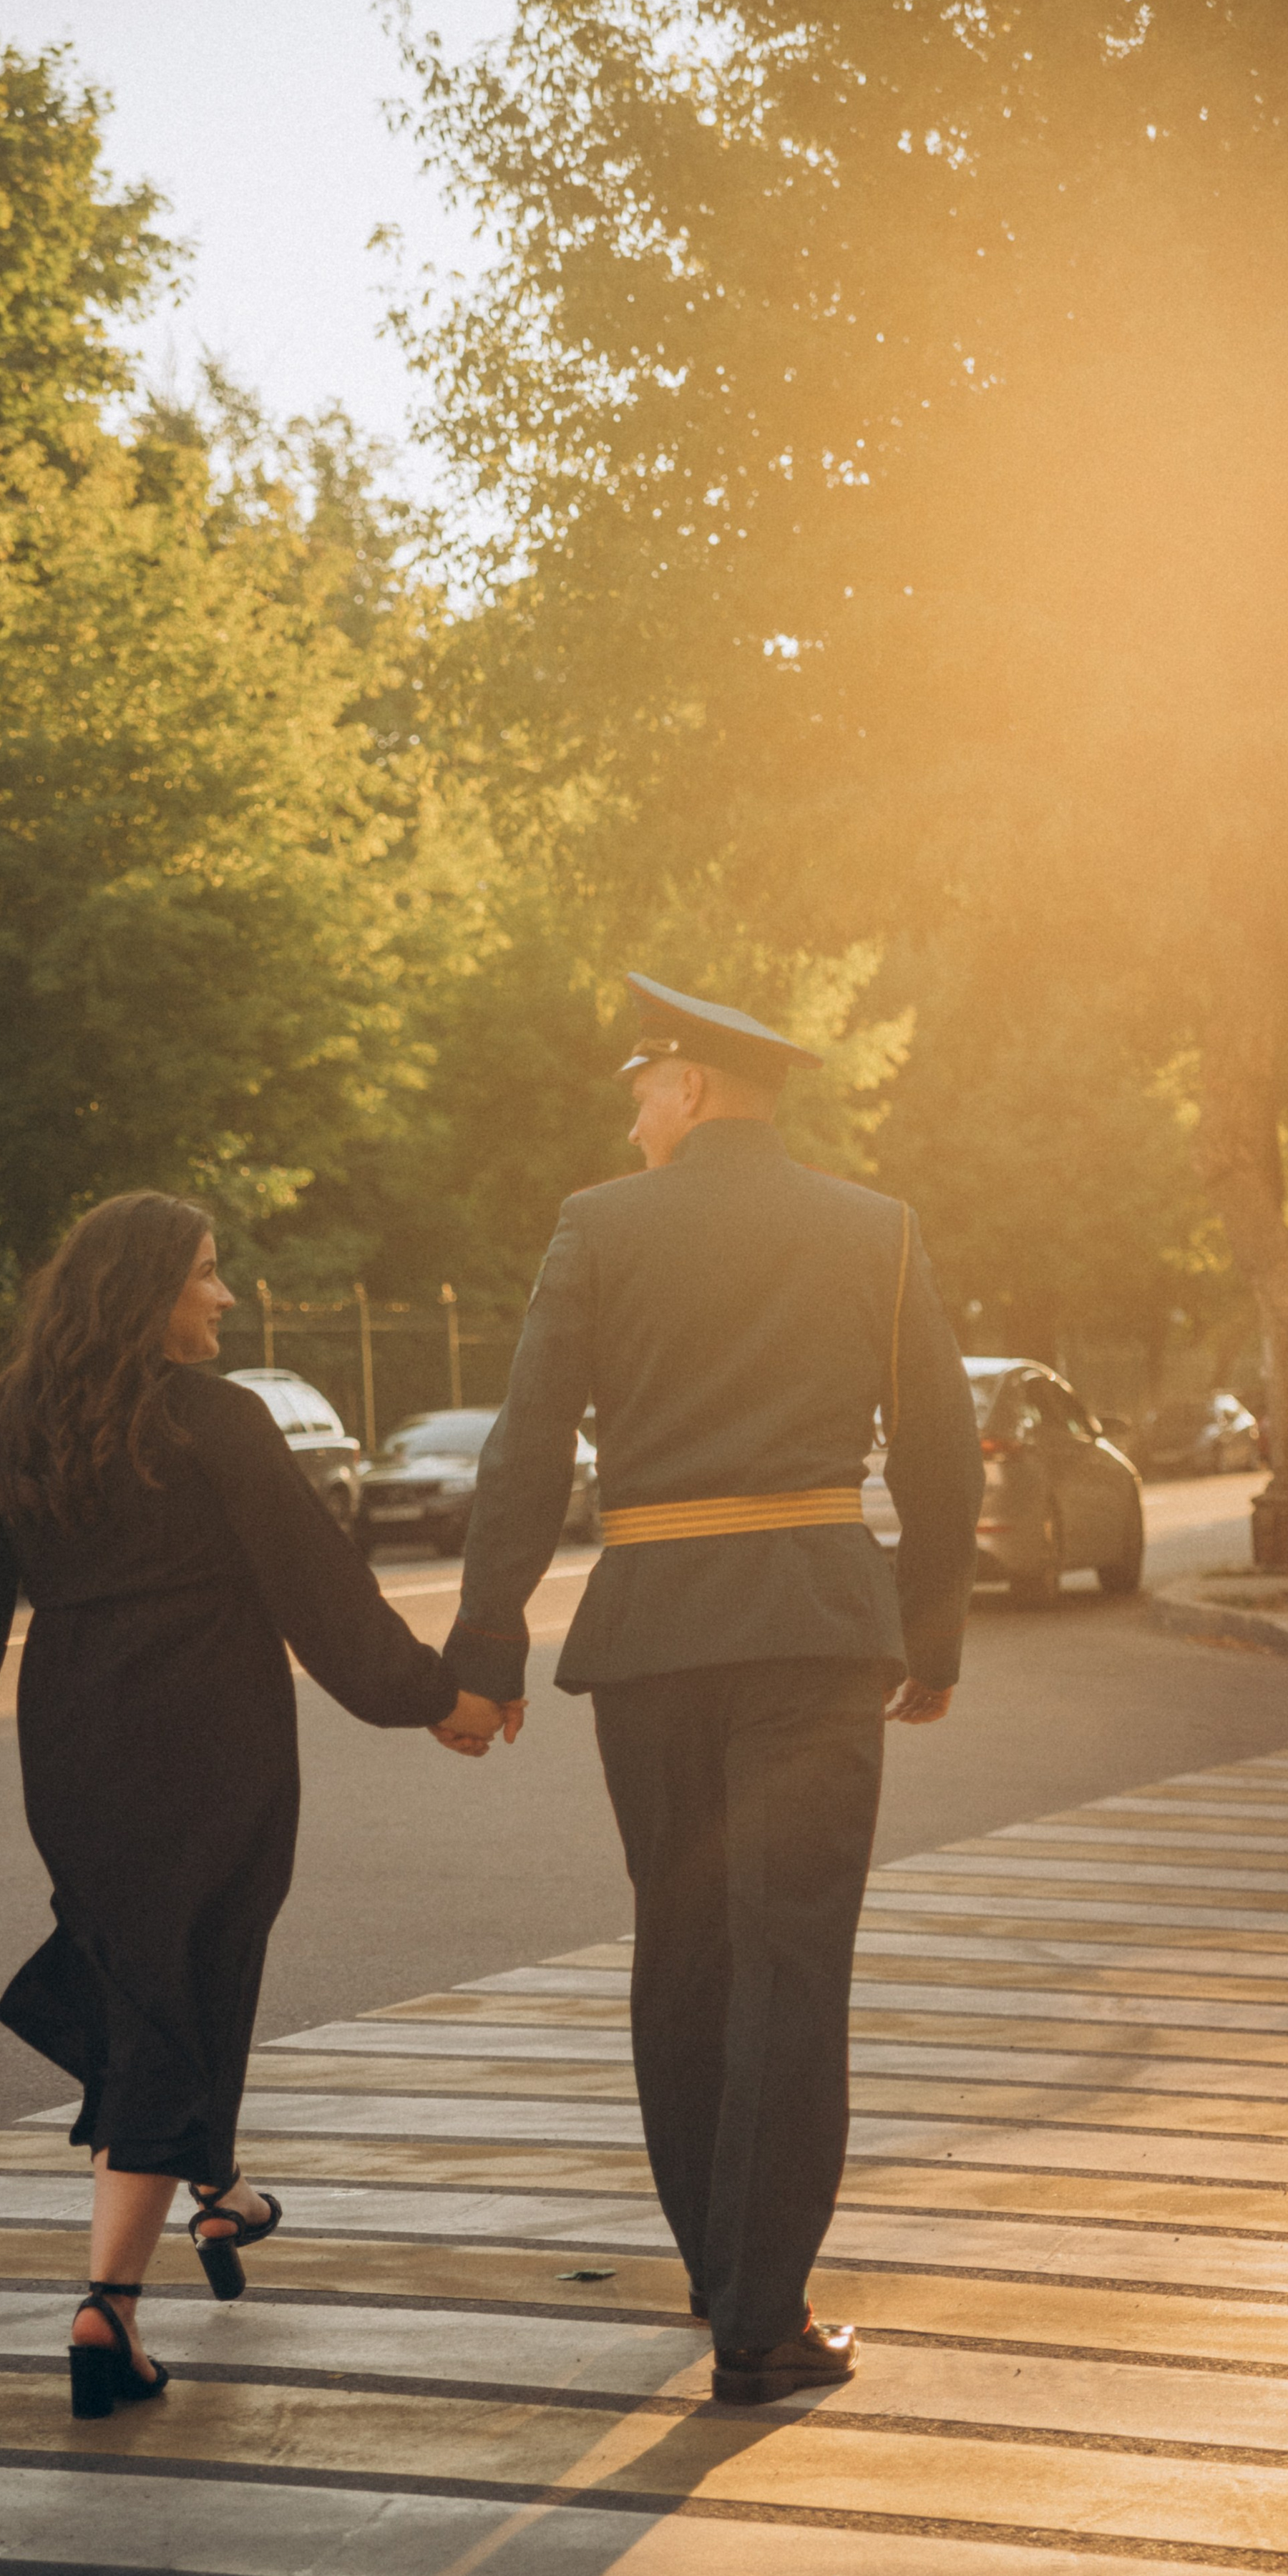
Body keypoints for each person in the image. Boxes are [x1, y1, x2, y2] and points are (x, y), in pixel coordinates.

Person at [0, 1191, 511, 2421]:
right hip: (210, 1732)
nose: (226, 1295)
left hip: (78, 1733)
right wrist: (433, 1697)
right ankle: (109, 2309)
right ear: (150, 1291)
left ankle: (221, 2187)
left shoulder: (23, 1428)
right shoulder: (217, 1422)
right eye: (207, 1273)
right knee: (180, 1981)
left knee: (143, 1963)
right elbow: (320, 1588)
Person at [442, 974, 982, 2404]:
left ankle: (715, 2266)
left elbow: (527, 1445)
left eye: (640, 1087)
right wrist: (928, 1635)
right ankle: (761, 2306)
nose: (629, 1115)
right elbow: (941, 1446)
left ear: (687, 1087)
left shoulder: (597, 1227)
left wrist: (487, 1649)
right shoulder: (873, 1231)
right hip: (815, 1625)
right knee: (788, 1960)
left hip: (655, 1634)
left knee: (680, 1949)